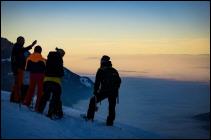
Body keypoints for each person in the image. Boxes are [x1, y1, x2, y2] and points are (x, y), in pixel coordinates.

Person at [84, 55, 121, 126]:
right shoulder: (114, 70)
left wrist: (95, 92)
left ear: (103, 61)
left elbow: (97, 82)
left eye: (102, 60)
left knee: (93, 101)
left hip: (105, 91)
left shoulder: (101, 70)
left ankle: (89, 118)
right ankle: (110, 122)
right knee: (112, 107)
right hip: (114, 92)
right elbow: (119, 81)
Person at [37, 47, 65, 119]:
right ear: (61, 54)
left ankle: (39, 110)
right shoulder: (59, 59)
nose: (63, 56)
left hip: (47, 80)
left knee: (45, 96)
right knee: (55, 98)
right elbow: (60, 71)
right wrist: (61, 75)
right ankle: (51, 113)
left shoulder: (50, 57)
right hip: (56, 81)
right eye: (63, 54)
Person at [10, 36, 37, 103]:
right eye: (23, 40)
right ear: (19, 41)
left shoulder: (18, 47)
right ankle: (15, 99)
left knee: (18, 83)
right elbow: (22, 51)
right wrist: (32, 45)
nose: (24, 42)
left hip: (19, 69)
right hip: (18, 68)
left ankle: (15, 98)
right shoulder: (17, 47)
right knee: (18, 84)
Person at [23, 46, 46, 111]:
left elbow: (26, 68)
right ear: (40, 51)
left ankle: (27, 102)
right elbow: (45, 69)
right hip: (41, 75)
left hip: (32, 74)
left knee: (31, 89)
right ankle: (37, 106)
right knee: (40, 91)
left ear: (34, 50)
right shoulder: (43, 59)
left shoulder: (29, 58)